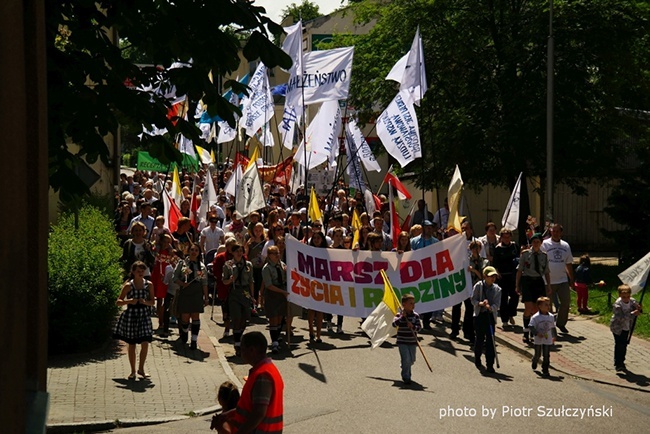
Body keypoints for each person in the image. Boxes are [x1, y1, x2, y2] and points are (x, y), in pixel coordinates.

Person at [211, 332, 284, 433]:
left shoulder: (262, 376)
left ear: (252, 350)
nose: (240, 352)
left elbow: (258, 413)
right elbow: (249, 408)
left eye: (242, 348)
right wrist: (227, 415)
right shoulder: (265, 371)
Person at [113, 261, 155, 379]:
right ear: (133, 272)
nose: (141, 273)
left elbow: (152, 301)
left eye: (142, 271)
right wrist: (129, 301)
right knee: (131, 344)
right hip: (131, 316)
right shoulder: (128, 286)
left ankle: (141, 368)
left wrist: (145, 302)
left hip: (144, 315)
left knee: (145, 342)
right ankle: (132, 371)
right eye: (138, 271)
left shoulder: (149, 285)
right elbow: (118, 302)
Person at [516, 233, 551, 345]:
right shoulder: (525, 254)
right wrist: (517, 285)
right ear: (531, 243)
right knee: (528, 307)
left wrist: (548, 285)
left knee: (537, 308)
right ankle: (526, 331)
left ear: (541, 243)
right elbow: (519, 270)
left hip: (538, 282)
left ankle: (533, 331)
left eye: (538, 242)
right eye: (534, 242)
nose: (536, 244)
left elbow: (546, 272)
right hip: (527, 281)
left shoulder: (544, 256)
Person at [173, 243, 209, 350]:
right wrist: (182, 283)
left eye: (196, 250)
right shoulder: (182, 263)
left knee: (195, 316)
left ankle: (194, 340)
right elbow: (174, 278)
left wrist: (206, 297)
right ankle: (184, 334)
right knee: (185, 317)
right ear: (188, 251)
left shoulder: (202, 266)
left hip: (197, 292)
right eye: (192, 250)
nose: (194, 252)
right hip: (185, 291)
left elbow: (204, 283)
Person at [222, 243, 255, 356]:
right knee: (236, 317)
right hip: (234, 292)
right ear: (233, 253)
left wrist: (253, 296)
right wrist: (230, 280)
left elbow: (251, 281)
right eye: (237, 251)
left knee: (245, 318)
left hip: (245, 292)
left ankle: (239, 335)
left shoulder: (248, 265)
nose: (239, 253)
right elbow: (224, 281)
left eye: (241, 251)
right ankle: (237, 344)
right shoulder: (228, 265)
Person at [541, 224, 574, 334]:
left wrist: (571, 279)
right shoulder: (545, 244)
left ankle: (560, 323)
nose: (555, 233)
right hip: (548, 280)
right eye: (553, 231)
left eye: (557, 231)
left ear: (561, 233)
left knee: (566, 301)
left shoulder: (565, 245)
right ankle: (550, 326)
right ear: (551, 232)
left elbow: (568, 263)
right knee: (547, 305)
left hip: (562, 279)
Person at [453, 240, 487, 342]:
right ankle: (455, 329)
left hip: (477, 289)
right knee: (458, 307)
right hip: (465, 287)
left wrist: (474, 270)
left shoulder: (484, 261)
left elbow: (483, 276)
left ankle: (470, 332)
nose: (475, 250)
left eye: (477, 248)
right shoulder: (466, 260)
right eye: (473, 248)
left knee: (471, 311)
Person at [471, 266, 501, 373]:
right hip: (479, 316)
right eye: (490, 276)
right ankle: (477, 358)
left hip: (490, 317)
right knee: (479, 338)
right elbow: (473, 299)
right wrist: (480, 304)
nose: (492, 279)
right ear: (485, 276)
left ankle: (490, 364)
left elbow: (497, 304)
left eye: (494, 276)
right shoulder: (478, 286)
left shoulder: (497, 289)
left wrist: (490, 308)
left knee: (490, 340)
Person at [262, 246, 289, 354]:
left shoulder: (282, 265)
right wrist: (282, 292)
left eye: (278, 253)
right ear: (269, 256)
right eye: (274, 253)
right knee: (273, 318)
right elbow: (268, 285)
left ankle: (277, 338)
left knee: (280, 317)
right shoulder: (267, 268)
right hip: (273, 293)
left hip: (282, 293)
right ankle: (274, 342)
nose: (277, 255)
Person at [610, 284, 642, 371]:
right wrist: (632, 313)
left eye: (628, 296)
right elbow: (621, 317)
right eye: (624, 297)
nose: (626, 299)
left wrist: (639, 309)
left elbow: (638, 307)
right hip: (617, 328)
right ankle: (618, 363)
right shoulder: (617, 305)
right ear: (619, 295)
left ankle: (622, 361)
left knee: (624, 345)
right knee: (619, 344)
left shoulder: (632, 301)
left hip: (627, 327)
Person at [392, 293, 421, 385]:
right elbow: (394, 324)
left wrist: (413, 327)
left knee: (412, 359)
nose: (413, 305)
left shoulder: (415, 316)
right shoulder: (399, 315)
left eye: (413, 303)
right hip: (402, 341)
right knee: (407, 359)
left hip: (412, 341)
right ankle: (406, 377)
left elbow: (419, 327)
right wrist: (402, 317)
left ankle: (405, 365)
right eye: (410, 303)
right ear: (404, 305)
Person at [492, 228, 519, 328]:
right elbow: (495, 264)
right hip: (502, 276)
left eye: (508, 237)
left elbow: (519, 259)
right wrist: (497, 273)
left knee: (515, 296)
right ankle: (504, 320)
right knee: (503, 299)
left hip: (513, 275)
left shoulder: (514, 246)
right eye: (504, 237)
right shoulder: (498, 248)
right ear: (501, 238)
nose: (506, 239)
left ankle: (511, 313)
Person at [529, 296, 557, 376]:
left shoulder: (551, 317)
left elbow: (552, 327)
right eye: (546, 305)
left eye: (549, 305)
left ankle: (545, 369)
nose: (548, 307)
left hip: (547, 338)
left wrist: (554, 336)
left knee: (546, 354)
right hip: (538, 338)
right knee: (538, 354)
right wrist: (537, 333)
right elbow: (531, 326)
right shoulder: (536, 317)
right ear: (539, 306)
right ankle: (535, 360)